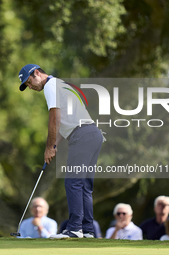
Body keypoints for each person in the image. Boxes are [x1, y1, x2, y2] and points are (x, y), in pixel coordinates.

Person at [18, 64, 103, 238]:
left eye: (29, 82)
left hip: (82, 135)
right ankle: (87, 230)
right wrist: (54, 145)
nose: (30, 87)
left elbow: (54, 116)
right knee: (85, 185)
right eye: (27, 85)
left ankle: (74, 229)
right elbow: (67, 121)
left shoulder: (50, 86)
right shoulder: (61, 84)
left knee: (72, 182)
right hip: (93, 134)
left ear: (37, 73)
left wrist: (49, 147)